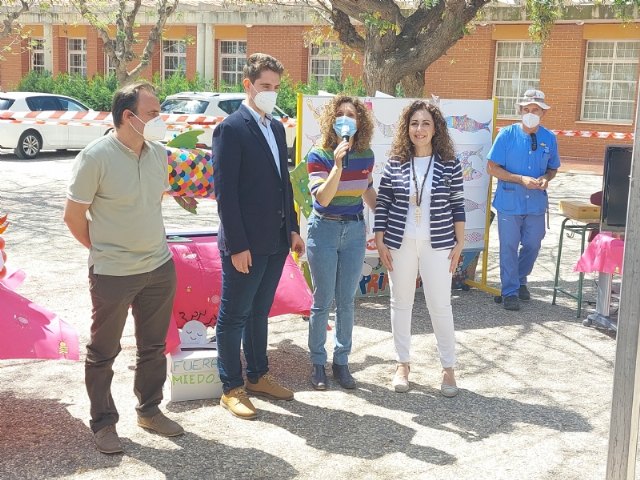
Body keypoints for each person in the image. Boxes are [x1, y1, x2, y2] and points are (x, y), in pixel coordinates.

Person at [63, 82, 183, 454]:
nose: (160, 119)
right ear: (128, 117)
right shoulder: (95, 157)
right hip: (113, 273)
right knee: (103, 351)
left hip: (158, 267)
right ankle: (103, 423)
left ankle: (149, 410)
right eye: (152, 113)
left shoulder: (158, 153)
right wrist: (104, 249)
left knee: (153, 347)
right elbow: (73, 217)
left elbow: (151, 203)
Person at [212, 53, 304, 420]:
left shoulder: (277, 128)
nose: (271, 93)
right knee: (234, 315)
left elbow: (284, 183)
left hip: (276, 240)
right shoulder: (230, 129)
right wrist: (238, 245)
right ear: (248, 85)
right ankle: (231, 387)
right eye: (265, 86)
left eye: (276, 87)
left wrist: (292, 228)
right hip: (245, 244)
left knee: (259, 312)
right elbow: (226, 193)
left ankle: (257, 375)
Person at [374, 100, 465, 397]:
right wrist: (380, 239)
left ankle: (448, 368)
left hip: (438, 244)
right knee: (401, 303)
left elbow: (457, 205)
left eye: (426, 123)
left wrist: (460, 242)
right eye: (414, 123)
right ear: (407, 128)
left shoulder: (449, 163)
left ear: (436, 128)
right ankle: (402, 364)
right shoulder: (396, 162)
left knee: (440, 305)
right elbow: (383, 202)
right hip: (400, 243)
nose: (419, 129)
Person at [306, 95, 376, 390]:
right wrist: (337, 165)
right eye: (340, 114)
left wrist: (389, 216)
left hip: (354, 231)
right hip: (324, 229)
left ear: (360, 122)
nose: (345, 119)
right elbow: (322, 198)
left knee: (347, 301)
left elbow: (367, 191)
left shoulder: (366, 155)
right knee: (322, 300)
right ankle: (317, 363)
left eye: (352, 114)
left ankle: (341, 362)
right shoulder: (318, 154)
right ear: (330, 120)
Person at [487, 89, 560, 311]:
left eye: (535, 110)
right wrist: (520, 179)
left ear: (543, 113)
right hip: (510, 202)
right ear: (520, 111)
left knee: (533, 244)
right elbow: (492, 168)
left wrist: (546, 178)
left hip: (536, 203)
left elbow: (552, 168)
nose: (530, 113)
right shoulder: (506, 135)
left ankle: (520, 279)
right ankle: (510, 291)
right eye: (526, 109)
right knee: (508, 246)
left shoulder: (549, 138)